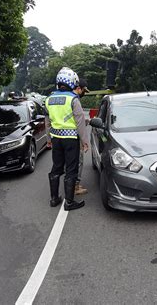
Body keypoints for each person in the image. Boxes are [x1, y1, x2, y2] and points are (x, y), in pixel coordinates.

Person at [45, 67, 89, 211]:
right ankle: (69, 203)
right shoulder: (73, 98)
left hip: (56, 138)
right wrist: (85, 141)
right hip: (70, 139)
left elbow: (47, 122)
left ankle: (54, 199)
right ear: (71, 82)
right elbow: (80, 121)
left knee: (56, 168)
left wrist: (49, 139)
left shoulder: (49, 99)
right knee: (71, 169)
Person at [73, 78, 90, 195]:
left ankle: (72, 184)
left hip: (63, 136)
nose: (84, 93)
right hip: (75, 136)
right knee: (79, 161)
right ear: (79, 89)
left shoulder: (66, 99)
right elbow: (78, 123)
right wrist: (85, 142)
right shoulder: (74, 100)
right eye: (84, 90)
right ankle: (75, 187)